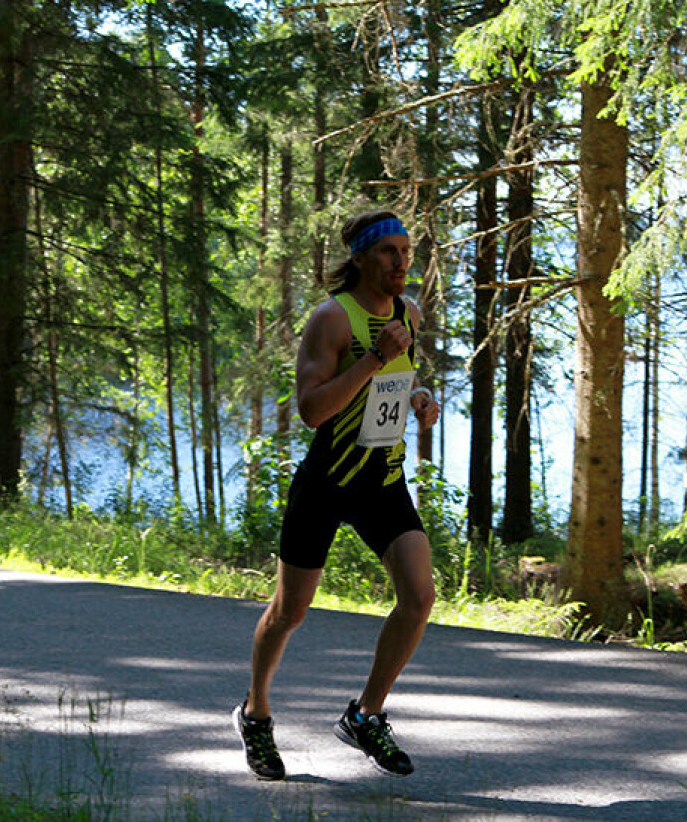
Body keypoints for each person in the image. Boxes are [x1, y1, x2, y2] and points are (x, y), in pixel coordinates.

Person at [233, 209, 440, 781]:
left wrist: (418, 397)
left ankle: (365, 715)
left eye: (406, 251)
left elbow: (392, 383)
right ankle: (255, 713)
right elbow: (312, 410)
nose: (401, 262)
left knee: (419, 596)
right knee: (289, 611)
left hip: (382, 479)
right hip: (327, 482)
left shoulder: (408, 314)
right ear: (361, 257)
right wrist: (374, 358)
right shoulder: (332, 319)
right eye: (389, 252)